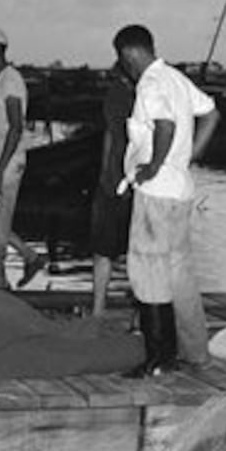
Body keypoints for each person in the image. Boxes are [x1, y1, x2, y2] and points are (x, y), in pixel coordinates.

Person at [114, 24, 220, 375]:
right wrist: (188, 157)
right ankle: (195, 352)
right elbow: (211, 114)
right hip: (180, 191)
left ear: (129, 54)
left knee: (149, 274)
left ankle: (159, 359)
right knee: (180, 275)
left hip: (157, 193)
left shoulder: (150, 83)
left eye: (122, 59)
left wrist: (154, 166)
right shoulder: (176, 78)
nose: (124, 67)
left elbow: (165, 126)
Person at [0, 26, 44, 288]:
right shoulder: (0, 80)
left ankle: (1, 279)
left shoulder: (11, 80)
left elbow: (16, 126)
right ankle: (28, 257)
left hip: (4, 163)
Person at [89, 61, 135, 316]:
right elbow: (110, 134)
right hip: (115, 181)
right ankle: (98, 311)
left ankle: (138, 316)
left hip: (135, 182)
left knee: (136, 255)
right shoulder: (118, 93)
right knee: (105, 251)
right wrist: (105, 175)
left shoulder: (146, 92)